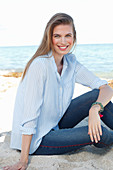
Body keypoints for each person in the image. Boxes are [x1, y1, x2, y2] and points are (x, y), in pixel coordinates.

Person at [4, 13, 113, 170]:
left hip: (55, 123)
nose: (63, 41)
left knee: (98, 97)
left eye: (67, 35)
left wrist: (95, 108)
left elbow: (105, 88)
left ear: (74, 38)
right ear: (50, 38)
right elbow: (29, 117)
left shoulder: (71, 62)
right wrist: (23, 161)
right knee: (99, 132)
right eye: (57, 36)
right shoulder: (40, 66)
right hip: (39, 139)